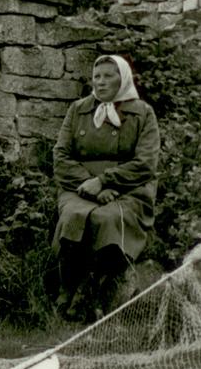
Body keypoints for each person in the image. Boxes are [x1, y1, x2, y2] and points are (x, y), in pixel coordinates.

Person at [52, 54, 160, 321]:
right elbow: (61, 156)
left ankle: (95, 291)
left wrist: (105, 181)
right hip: (79, 187)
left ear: (122, 79)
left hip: (129, 189)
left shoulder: (143, 113)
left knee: (108, 219)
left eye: (108, 76)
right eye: (96, 76)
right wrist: (93, 186)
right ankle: (68, 289)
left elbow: (146, 164)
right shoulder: (78, 110)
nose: (100, 82)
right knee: (73, 217)